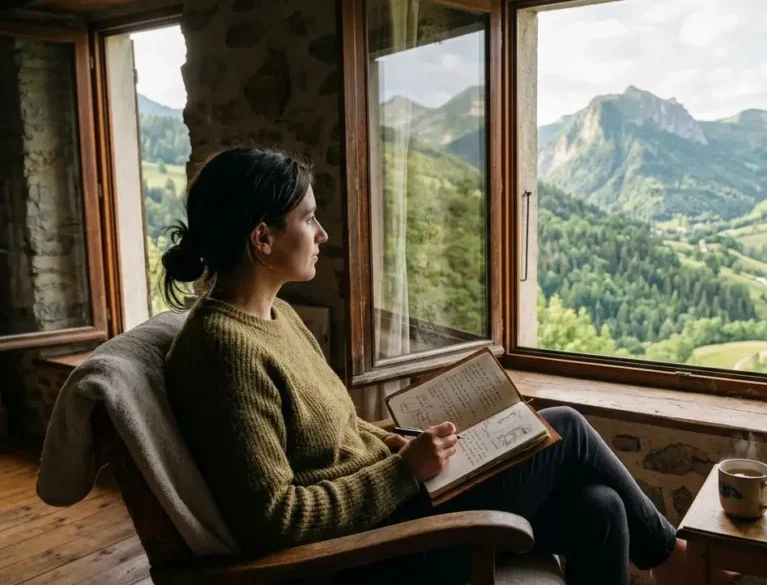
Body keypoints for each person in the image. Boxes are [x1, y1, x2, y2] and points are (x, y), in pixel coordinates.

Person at [162, 147, 714, 585]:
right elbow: (276, 519)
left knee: (600, 508)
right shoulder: (223, 350)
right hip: (367, 554)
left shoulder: (276, 316)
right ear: (262, 238)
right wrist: (404, 471)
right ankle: (673, 557)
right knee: (563, 426)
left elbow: (336, 432)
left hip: (394, 508)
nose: (323, 234)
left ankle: (670, 556)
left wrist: (399, 443)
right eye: (308, 218)